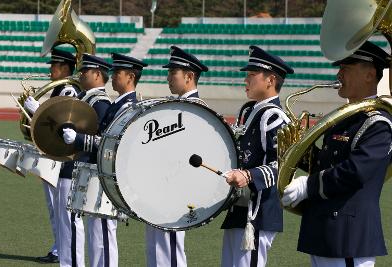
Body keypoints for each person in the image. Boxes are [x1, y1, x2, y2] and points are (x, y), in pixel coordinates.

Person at [281, 41, 392, 267]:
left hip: (348, 235)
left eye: (346, 68)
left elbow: (355, 171)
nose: (339, 74)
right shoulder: (345, 119)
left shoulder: (378, 124)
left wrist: (307, 186)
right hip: (326, 230)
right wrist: (297, 150)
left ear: (370, 75)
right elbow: (327, 164)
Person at [222, 45, 294, 266]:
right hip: (240, 208)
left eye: (252, 76)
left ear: (270, 80)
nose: (246, 80)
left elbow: (283, 165)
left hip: (258, 212)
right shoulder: (250, 110)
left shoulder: (274, 116)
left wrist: (250, 175)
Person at [145, 45, 208, 267]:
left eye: (173, 73)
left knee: (169, 249)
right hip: (163, 187)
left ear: (189, 76)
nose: (168, 78)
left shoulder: (196, 110)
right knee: (156, 249)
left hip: (176, 190)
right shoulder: (177, 106)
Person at [24, 48, 79, 264]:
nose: (50, 69)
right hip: (51, 155)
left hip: (61, 158)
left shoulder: (68, 91)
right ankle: (58, 246)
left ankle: (61, 249)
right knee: (53, 207)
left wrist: (37, 109)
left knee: (59, 207)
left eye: (54, 65)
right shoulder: (58, 90)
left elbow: (64, 125)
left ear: (64, 67)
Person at [60, 53, 112, 267]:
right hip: (73, 165)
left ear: (97, 74)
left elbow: (102, 138)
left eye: (85, 71)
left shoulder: (100, 102)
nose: (80, 74)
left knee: (72, 223)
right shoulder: (85, 96)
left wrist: (78, 139)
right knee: (67, 223)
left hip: (83, 167)